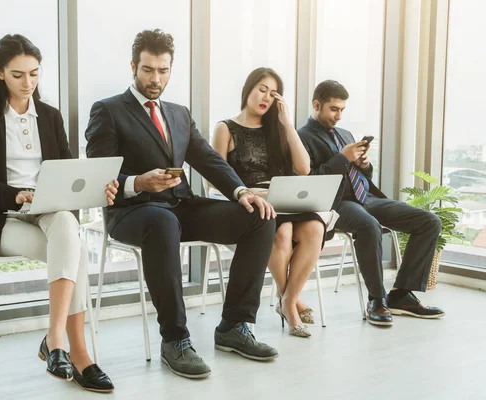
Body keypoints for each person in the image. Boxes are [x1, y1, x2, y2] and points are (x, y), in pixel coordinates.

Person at [85, 29, 279, 379]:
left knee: (259, 217)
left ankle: (235, 326)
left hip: (179, 207)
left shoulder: (178, 113)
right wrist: (137, 182)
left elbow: (208, 159)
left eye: (162, 70)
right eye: (147, 70)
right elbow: (99, 176)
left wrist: (242, 193)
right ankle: (174, 339)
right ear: (133, 66)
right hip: (132, 212)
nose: (155, 78)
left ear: (170, 69)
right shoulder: (109, 110)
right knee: (162, 223)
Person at [0, 34, 116, 392]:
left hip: (48, 211)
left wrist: (96, 187)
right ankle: (78, 354)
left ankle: (55, 339)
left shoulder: (49, 116)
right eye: (17, 75)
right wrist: (16, 195)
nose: (28, 83)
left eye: (34, 74)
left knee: (65, 224)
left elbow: (69, 174)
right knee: (71, 249)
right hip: (2, 219)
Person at [298, 79, 445, 326]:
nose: (339, 116)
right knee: (369, 226)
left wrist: (364, 165)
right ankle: (377, 299)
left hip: (366, 197)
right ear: (317, 105)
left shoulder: (345, 134)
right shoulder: (302, 137)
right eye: (334, 109)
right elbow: (310, 182)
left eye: (342, 110)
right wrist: (342, 158)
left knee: (429, 221)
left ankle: (400, 294)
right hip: (336, 203)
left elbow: (361, 175)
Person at [212, 68, 337, 338]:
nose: (266, 98)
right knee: (283, 232)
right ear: (248, 89)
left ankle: (287, 300)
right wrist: (247, 193)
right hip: (250, 203)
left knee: (315, 229)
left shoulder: (278, 129)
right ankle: (290, 304)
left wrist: (287, 124)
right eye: (261, 89)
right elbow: (214, 179)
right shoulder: (225, 128)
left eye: (273, 93)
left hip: (285, 199)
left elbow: (303, 169)